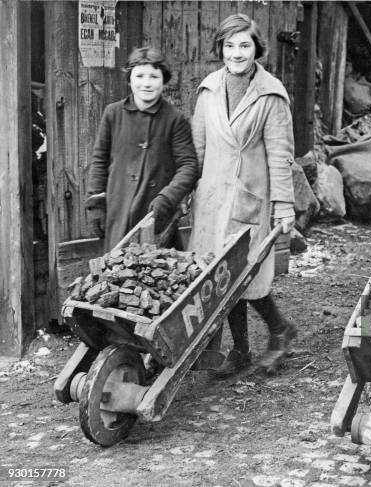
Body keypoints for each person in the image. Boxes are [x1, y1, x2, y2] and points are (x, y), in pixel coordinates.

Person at [189, 14, 296, 375]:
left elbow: (281, 156)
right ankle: (241, 350)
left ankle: (280, 329)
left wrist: (284, 207)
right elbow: (198, 149)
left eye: (244, 45)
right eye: (230, 45)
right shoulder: (208, 89)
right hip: (212, 197)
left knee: (246, 273)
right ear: (220, 48)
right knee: (219, 276)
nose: (237, 53)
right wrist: (187, 192)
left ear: (257, 49)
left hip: (250, 195)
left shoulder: (271, 93)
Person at [86, 47, 199, 252]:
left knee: (158, 274)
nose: (146, 83)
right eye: (139, 76)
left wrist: (167, 198)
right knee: (118, 271)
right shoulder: (113, 113)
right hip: (119, 209)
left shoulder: (175, 119)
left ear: (163, 81)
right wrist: (96, 203)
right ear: (129, 80)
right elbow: (99, 159)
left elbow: (189, 165)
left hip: (156, 214)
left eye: (154, 77)